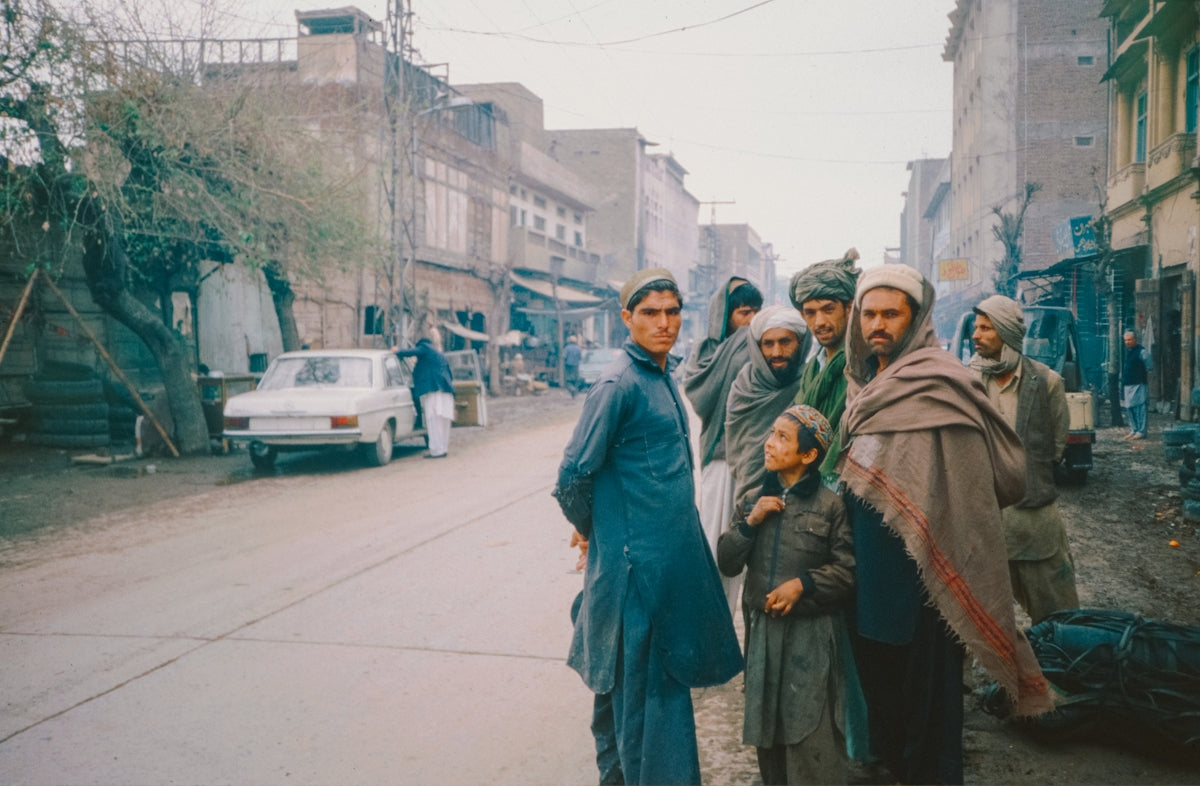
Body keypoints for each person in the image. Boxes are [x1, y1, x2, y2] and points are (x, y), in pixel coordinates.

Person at [839, 265, 1052, 784]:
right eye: (869, 314)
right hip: (870, 566)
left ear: (916, 318)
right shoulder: (865, 384)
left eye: (891, 313)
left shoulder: (944, 383)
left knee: (927, 694)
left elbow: (975, 486)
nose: (878, 325)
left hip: (928, 572)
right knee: (880, 683)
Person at [553, 268, 743, 785]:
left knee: (643, 702)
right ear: (626, 319)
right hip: (637, 578)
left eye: (672, 312)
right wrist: (596, 529)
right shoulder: (620, 385)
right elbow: (572, 475)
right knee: (641, 709)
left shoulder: (659, 376)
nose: (664, 323)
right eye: (650, 313)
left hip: (666, 570)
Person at [717, 405, 854, 786]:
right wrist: (750, 523)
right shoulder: (751, 501)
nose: (769, 443)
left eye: (781, 437)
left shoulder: (830, 507)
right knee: (767, 726)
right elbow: (727, 562)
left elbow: (847, 572)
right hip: (762, 634)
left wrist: (803, 585)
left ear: (809, 455)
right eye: (771, 433)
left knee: (809, 727)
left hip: (810, 636)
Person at [970, 295, 1080, 625]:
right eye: (976, 327)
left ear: (1006, 334)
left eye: (986, 328)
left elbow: (1056, 447)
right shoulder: (967, 382)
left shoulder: (1047, 382)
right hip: (982, 523)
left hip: (1033, 524)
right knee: (978, 623)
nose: (976, 335)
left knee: (1057, 619)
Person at [683, 276, 763, 608]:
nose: (751, 322)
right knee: (717, 546)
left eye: (756, 312)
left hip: (758, 461)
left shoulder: (764, 344)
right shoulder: (706, 352)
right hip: (719, 457)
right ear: (725, 315)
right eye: (744, 313)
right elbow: (699, 395)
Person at [725, 305, 810, 505]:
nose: (777, 352)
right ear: (758, 347)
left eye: (785, 342)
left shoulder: (810, 383)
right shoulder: (744, 385)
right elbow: (736, 448)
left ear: (800, 343)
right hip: (748, 492)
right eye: (768, 344)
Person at [789, 249, 860, 485]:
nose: (819, 322)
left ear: (848, 308)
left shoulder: (861, 365)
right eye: (810, 313)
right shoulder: (813, 367)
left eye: (828, 310)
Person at [394, 333, 455, 458]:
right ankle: (442, 449)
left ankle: (436, 451)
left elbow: (412, 351)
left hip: (434, 390)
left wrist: (398, 351)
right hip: (446, 390)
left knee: (433, 420)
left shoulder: (425, 347)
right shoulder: (438, 354)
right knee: (444, 422)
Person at [1122, 330, 1152, 440]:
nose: (1127, 342)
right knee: (1130, 408)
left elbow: (1149, 365)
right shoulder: (1129, 352)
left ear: (1135, 340)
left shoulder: (1142, 351)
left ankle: (1141, 431)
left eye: (1130, 340)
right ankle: (1134, 429)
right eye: (1126, 340)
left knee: (1140, 407)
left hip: (1138, 383)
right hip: (1128, 384)